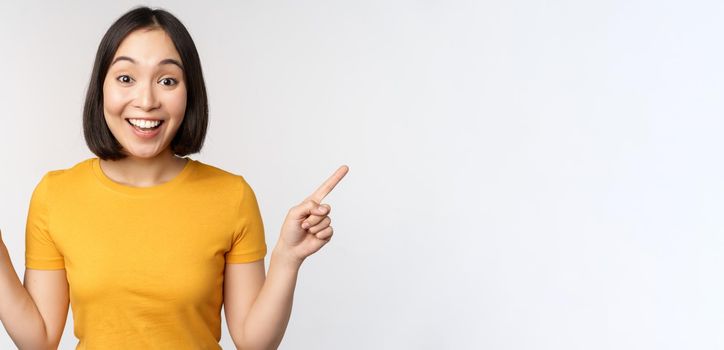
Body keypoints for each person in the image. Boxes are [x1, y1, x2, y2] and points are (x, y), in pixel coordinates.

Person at [0, 6, 348, 349]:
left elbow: (254, 342)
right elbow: (38, 339)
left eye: (167, 80)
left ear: (189, 92)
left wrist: (288, 257)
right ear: (101, 88)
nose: (147, 100)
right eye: (125, 78)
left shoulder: (231, 195)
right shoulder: (56, 195)